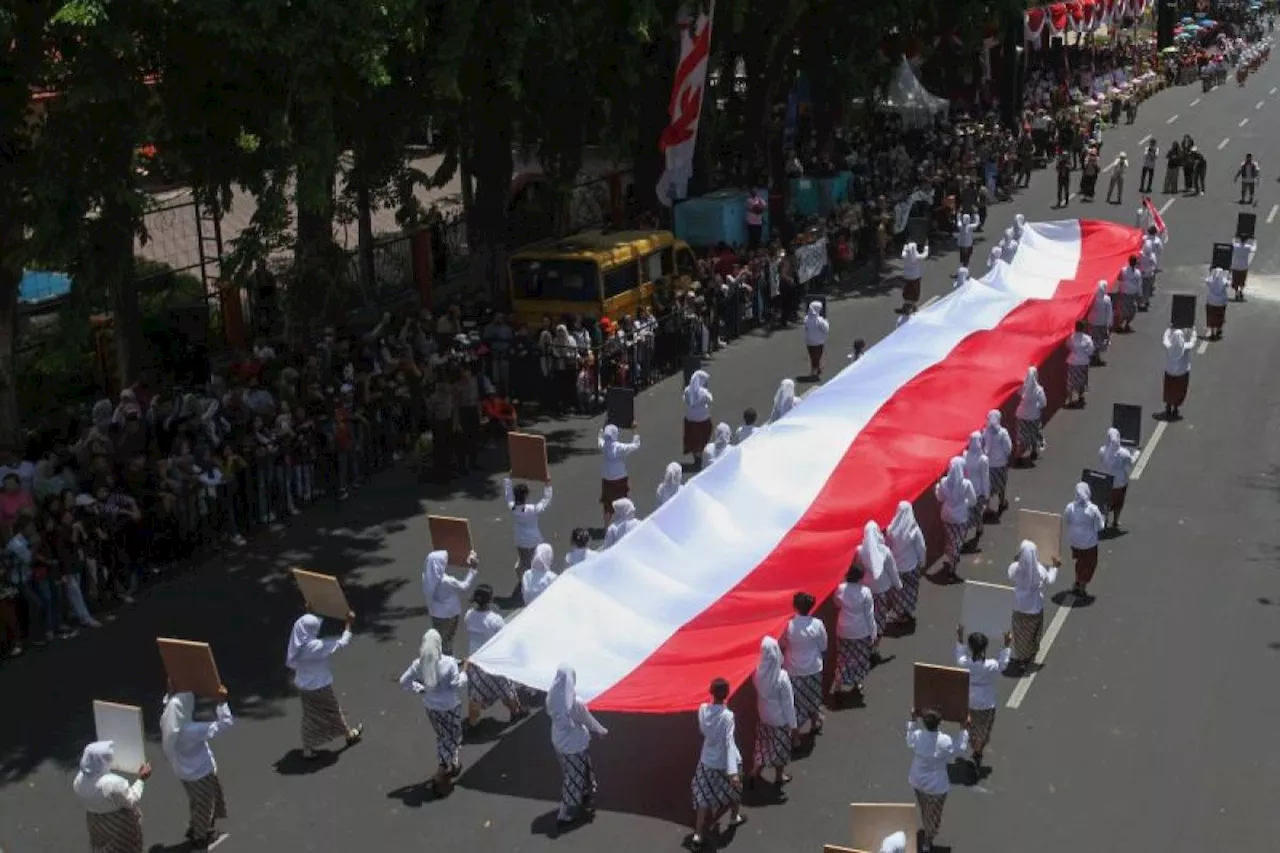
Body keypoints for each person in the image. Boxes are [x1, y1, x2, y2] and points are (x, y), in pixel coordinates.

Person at [285, 612, 364, 760]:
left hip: (304, 685)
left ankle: (308, 748)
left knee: (309, 715)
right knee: (333, 710)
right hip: (319, 685)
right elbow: (341, 643)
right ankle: (348, 734)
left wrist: (310, 610)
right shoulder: (314, 646)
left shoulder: (297, 644)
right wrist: (348, 625)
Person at [160, 690, 234, 847]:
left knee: (196, 801)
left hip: (183, 772)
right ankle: (202, 836)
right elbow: (225, 724)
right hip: (201, 772)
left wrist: (171, 692)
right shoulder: (192, 730)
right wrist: (222, 703)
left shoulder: (168, 724)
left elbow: (169, 706)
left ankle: (195, 826)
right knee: (206, 804)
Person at [399, 628, 467, 794]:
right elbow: (456, 684)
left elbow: (403, 682)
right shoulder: (449, 663)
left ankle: (455, 763)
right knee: (454, 736)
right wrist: (465, 669)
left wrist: (420, 689)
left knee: (443, 736)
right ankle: (441, 771)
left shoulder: (418, 664)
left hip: (431, 707)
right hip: (450, 707)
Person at [548, 664, 608, 827]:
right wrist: (601, 730)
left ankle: (585, 790)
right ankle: (564, 812)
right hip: (574, 745)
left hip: (559, 743)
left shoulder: (553, 697)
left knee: (571, 771)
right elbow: (588, 720)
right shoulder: (575, 703)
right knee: (573, 778)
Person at [690, 678, 746, 850]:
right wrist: (733, 772)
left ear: (711, 692)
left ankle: (698, 833)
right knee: (734, 790)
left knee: (703, 797)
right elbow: (729, 742)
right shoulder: (728, 716)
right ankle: (734, 816)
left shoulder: (702, 710)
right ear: (727, 693)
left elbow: (702, 729)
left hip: (707, 759)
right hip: (723, 761)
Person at [906, 708, 968, 853]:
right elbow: (960, 748)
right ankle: (928, 841)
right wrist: (963, 728)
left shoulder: (918, 736)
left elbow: (909, 739)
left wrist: (912, 720)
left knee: (925, 810)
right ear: (939, 723)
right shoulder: (944, 741)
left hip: (918, 781)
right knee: (933, 815)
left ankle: (928, 832)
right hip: (936, 787)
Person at [463, 585, 523, 729]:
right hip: (492, 661)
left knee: (475, 696)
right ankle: (516, 712)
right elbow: (504, 638)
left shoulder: (469, 615)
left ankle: (473, 724)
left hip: (475, 661)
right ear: (489, 601)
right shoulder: (495, 620)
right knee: (506, 690)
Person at [74, 741, 149, 853]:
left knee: (102, 845)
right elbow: (130, 800)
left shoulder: (78, 779)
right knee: (125, 847)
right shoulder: (113, 783)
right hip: (118, 821)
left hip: (95, 819)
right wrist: (141, 779)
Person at [954, 626, 1011, 769]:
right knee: (983, 729)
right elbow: (1003, 664)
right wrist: (1006, 644)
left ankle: (973, 746)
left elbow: (959, 655)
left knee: (970, 726)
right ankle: (977, 751)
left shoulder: (965, 663)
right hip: (986, 703)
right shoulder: (990, 665)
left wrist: (960, 637)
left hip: (969, 701)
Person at [748, 637, 796, 795]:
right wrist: (793, 726)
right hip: (779, 719)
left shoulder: (757, 673)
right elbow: (788, 704)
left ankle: (754, 772)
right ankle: (779, 776)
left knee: (763, 746)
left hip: (764, 715)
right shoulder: (781, 677)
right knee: (780, 750)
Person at [781, 591, 828, 743]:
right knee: (813, 698)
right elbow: (823, 645)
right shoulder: (817, 624)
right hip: (813, 667)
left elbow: (782, 644)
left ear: (795, 607)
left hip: (794, 669)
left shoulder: (788, 625)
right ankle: (815, 722)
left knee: (795, 703)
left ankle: (796, 735)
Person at [1007, 541, 1059, 671]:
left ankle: (1021, 658)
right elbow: (1050, 580)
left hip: (1019, 606)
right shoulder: (1040, 570)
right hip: (1035, 608)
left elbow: (1010, 574)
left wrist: (1016, 560)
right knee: (1032, 633)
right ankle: (1030, 653)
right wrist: (1054, 567)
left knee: (1020, 634)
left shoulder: (1015, 568)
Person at [833, 563, 877, 701]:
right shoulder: (865, 592)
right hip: (860, 631)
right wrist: (873, 632)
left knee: (842, 659)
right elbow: (869, 615)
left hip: (843, 629)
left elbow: (836, 603)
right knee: (859, 659)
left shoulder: (841, 589)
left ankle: (838, 686)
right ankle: (856, 682)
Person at [422, 549, 479, 653]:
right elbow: (464, 586)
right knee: (449, 638)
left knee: (441, 639)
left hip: (435, 613)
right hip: (450, 614)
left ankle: (444, 658)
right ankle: (448, 661)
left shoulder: (426, 577)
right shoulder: (447, 581)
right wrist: (472, 570)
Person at [856, 520, 902, 643]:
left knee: (868, 614)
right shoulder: (884, 551)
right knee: (880, 614)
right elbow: (892, 570)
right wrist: (898, 585)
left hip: (867, 588)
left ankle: (870, 636)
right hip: (882, 588)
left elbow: (857, 569)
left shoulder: (860, 551)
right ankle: (877, 636)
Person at [502, 476, 552, 586]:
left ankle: (523, 579)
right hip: (534, 538)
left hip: (520, 538)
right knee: (537, 560)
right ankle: (535, 580)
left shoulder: (513, 508)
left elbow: (508, 496)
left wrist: (508, 479)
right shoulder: (533, 509)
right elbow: (546, 501)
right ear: (526, 495)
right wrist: (547, 486)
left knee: (524, 560)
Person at [886, 500, 927, 625]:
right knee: (911, 590)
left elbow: (888, 546)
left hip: (897, 567)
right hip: (911, 566)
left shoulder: (891, 529)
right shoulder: (914, 530)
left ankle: (899, 612)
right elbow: (921, 547)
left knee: (898, 592)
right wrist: (922, 561)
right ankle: (907, 612)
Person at [934, 457, 975, 578]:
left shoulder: (944, 482)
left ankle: (950, 556)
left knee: (949, 538)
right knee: (958, 540)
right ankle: (953, 562)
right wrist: (965, 503)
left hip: (946, 515)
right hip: (961, 516)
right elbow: (972, 500)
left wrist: (937, 488)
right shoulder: (966, 484)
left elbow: (940, 498)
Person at [1063, 482, 1106, 599]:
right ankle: (1082, 585)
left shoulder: (1070, 507)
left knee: (1080, 561)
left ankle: (1077, 581)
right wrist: (1103, 518)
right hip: (1088, 543)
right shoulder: (1093, 509)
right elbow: (1100, 526)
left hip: (1074, 541)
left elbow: (1066, 520)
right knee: (1089, 564)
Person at [598, 424, 640, 525]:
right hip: (620, 478)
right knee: (622, 500)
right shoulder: (620, 447)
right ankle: (622, 523)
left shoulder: (604, 446)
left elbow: (599, 441)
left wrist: (600, 432)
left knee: (607, 504)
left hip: (607, 478)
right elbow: (635, 445)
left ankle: (606, 527)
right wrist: (635, 432)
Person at [981, 410, 1012, 516]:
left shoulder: (986, 431)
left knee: (988, 485)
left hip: (989, 464)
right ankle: (1002, 502)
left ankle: (987, 506)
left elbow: (982, 443)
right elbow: (1008, 447)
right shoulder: (1003, 432)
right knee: (1002, 484)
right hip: (1000, 464)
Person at [1162, 325, 1197, 420]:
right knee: (1179, 391)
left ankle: (1168, 405)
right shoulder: (1185, 347)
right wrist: (1193, 331)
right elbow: (1193, 342)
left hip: (1170, 372)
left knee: (1169, 390)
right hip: (1182, 373)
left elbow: (1165, 337)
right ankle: (1175, 408)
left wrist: (1169, 328)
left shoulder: (1168, 345)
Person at [961, 431, 989, 548]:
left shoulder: (965, 455)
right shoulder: (983, 459)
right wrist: (986, 494)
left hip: (966, 489)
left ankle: (964, 534)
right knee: (977, 511)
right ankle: (979, 527)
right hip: (977, 489)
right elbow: (985, 477)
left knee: (967, 512)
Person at [1013, 367, 1046, 464]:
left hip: (1022, 415)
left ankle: (1018, 456)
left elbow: (1018, 392)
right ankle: (1034, 451)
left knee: (1021, 436)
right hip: (1034, 416)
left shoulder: (1023, 387)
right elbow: (1043, 403)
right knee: (1034, 433)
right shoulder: (1039, 390)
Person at [683, 370, 714, 468]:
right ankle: (703, 454)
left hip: (691, 418)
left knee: (693, 438)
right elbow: (710, 399)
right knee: (704, 437)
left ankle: (697, 458)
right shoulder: (703, 392)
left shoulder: (687, 390)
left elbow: (684, 399)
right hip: (703, 418)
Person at [1065, 321, 1095, 408]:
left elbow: (1067, 345)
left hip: (1073, 361)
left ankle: (1070, 399)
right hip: (1083, 362)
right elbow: (1091, 350)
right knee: (1082, 380)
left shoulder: (1071, 337)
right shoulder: (1087, 338)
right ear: (1083, 328)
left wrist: (1074, 351)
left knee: (1071, 380)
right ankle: (1080, 397)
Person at [1088, 281, 1112, 366]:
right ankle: (1096, 356)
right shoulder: (1107, 299)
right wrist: (1109, 323)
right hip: (1102, 324)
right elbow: (1109, 312)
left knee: (1093, 340)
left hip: (1093, 323)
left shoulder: (1093, 298)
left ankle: (1094, 355)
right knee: (1100, 341)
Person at [803, 301, 830, 377]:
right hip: (818, 342)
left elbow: (806, 329)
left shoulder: (806, 318)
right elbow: (826, 329)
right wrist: (826, 321)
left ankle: (816, 368)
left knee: (812, 356)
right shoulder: (820, 320)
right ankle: (815, 371)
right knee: (818, 356)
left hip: (809, 341)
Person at [1116, 256, 1142, 332]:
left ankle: (1127, 325)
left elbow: (1139, 284)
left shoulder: (1137, 272)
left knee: (1133, 311)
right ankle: (1119, 326)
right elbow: (1119, 278)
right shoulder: (1123, 270)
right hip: (1124, 293)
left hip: (1132, 295)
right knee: (1124, 311)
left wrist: (1140, 294)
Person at [1204, 266, 1231, 339]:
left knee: (1211, 317)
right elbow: (1228, 283)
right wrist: (1228, 275)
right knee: (1220, 316)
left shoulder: (1211, 280)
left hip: (1211, 301)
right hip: (1221, 302)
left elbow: (1206, 280)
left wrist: (1210, 272)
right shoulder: (1223, 281)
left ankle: (1212, 332)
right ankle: (1219, 329)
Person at [901, 242, 928, 309]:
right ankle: (912, 306)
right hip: (915, 277)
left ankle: (906, 304)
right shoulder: (916, 257)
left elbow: (903, 251)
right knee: (915, 291)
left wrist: (905, 246)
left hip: (907, 276)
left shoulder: (905, 255)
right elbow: (925, 255)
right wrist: (926, 247)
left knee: (907, 290)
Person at [1230, 234, 1257, 300]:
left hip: (1236, 265)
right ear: (1246, 240)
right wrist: (1254, 241)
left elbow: (1232, 245)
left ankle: (1236, 293)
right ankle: (1241, 291)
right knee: (1242, 280)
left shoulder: (1236, 246)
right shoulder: (1248, 247)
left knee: (1235, 280)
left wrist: (1234, 237)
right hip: (1244, 266)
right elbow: (1254, 249)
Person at [1138, 233, 1159, 311]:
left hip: (1144, 274)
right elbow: (1154, 265)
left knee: (1143, 289)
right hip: (1147, 274)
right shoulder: (1151, 255)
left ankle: (1143, 302)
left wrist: (1143, 270)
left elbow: (1138, 263)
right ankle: (1144, 301)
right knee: (1145, 289)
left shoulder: (1141, 254)